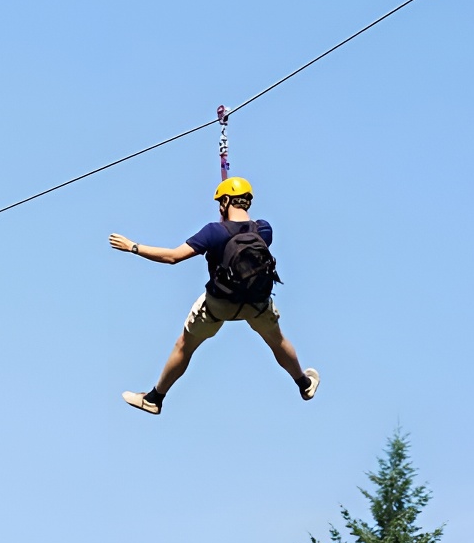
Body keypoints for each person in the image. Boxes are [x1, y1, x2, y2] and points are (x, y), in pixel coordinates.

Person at [108, 176, 319, 415]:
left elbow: (173, 257)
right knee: (277, 341)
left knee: (184, 345)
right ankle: (304, 383)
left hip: (219, 305)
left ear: (226, 201)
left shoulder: (213, 232)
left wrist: (133, 247)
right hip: (256, 303)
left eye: (221, 201)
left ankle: (155, 398)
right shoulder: (264, 230)